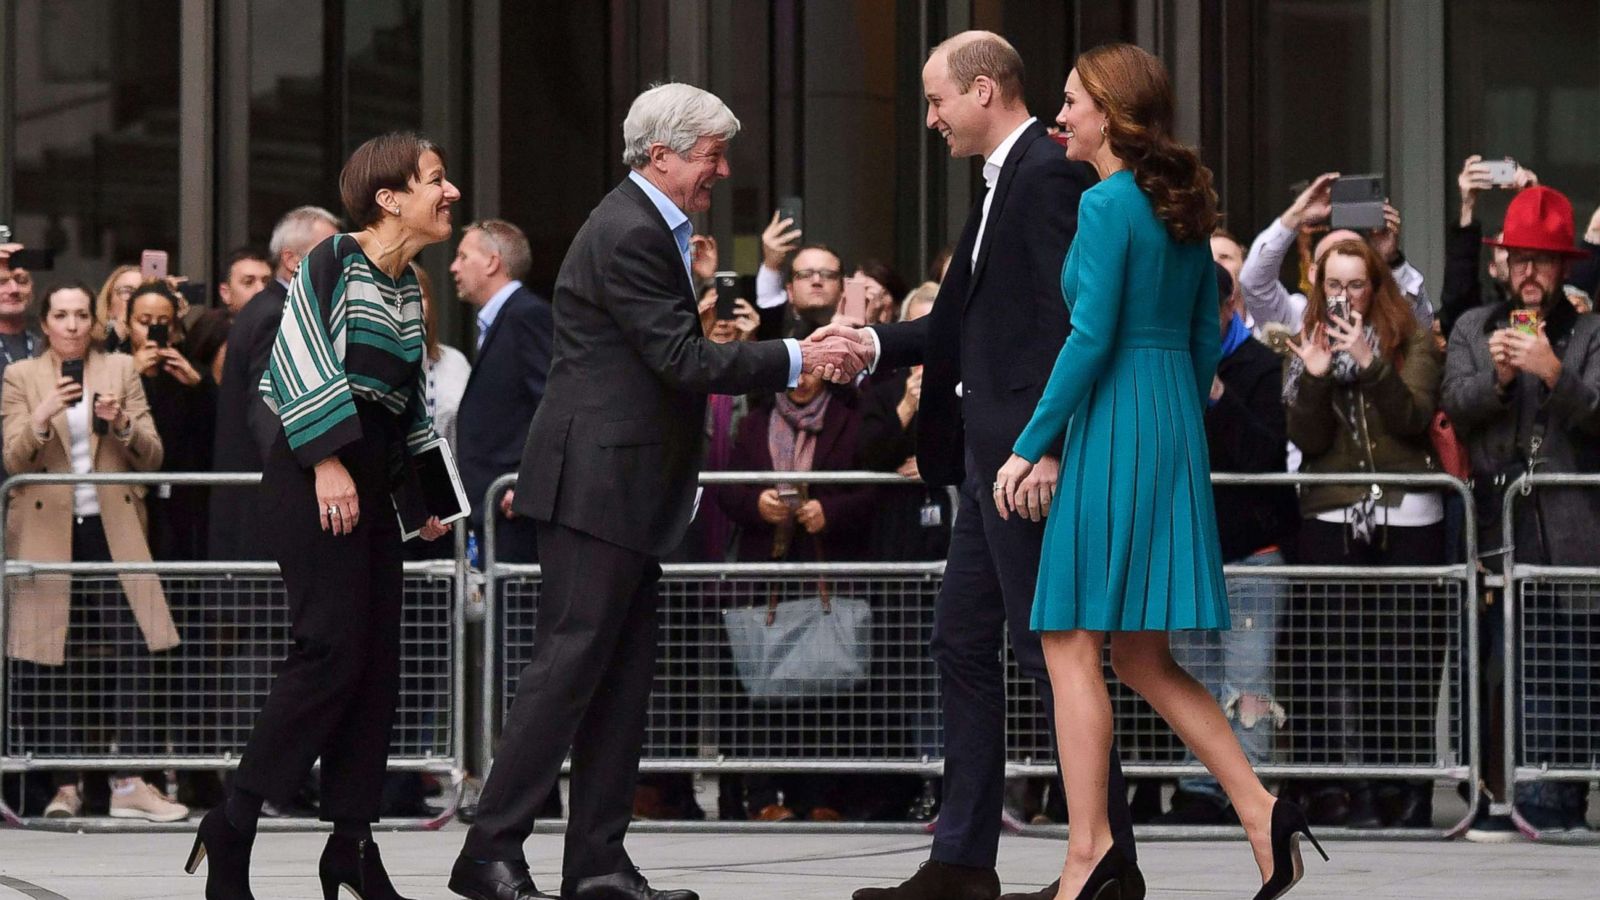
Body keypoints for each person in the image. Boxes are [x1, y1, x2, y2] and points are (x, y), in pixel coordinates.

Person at [447, 82, 863, 900]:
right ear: (662, 153)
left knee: (620, 681)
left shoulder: (646, 229)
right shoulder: (630, 230)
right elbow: (683, 360)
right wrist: (797, 357)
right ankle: (489, 849)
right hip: (599, 488)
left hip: (623, 491)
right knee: (568, 671)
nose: (722, 169)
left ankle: (597, 862)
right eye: (712, 154)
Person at [813, 32, 1142, 900]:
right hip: (988, 464)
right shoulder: (1005, 180)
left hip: (1024, 466)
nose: (928, 118)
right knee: (963, 640)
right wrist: (871, 340)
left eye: (936, 101)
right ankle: (962, 860)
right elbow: (958, 324)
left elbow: (1071, 326)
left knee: (1053, 655)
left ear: (983, 90)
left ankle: (1109, 859)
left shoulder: (1047, 175)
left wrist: (1051, 447)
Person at [989, 44, 1320, 900]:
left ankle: (1087, 857)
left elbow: (1089, 337)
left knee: (1068, 641)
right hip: (1169, 419)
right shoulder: (1182, 204)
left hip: (1115, 422)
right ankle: (1261, 809)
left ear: (1108, 111)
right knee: (1138, 654)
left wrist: (1032, 442)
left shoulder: (1106, 204)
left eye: (1070, 103)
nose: (1059, 117)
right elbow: (1209, 337)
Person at [184, 133, 457, 900]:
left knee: (375, 668)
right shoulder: (334, 258)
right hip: (315, 471)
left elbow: (409, 409)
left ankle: (352, 844)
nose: (452, 192)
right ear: (389, 196)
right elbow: (296, 360)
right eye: (437, 179)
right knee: (329, 652)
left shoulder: (406, 285)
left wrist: (427, 503)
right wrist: (329, 461)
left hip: (369, 476)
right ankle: (234, 819)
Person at [1440, 185, 1599, 839]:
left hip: (1571, 528)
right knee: (1506, 669)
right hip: (1494, 530)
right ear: (1501, 263)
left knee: (1574, 669)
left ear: (1564, 267)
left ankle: (1564, 801)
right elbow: (1453, 401)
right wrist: (1503, 380)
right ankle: (1514, 799)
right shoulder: (1477, 327)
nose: (1530, 272)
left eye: (1543, 260)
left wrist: (1553, 372)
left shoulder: (1590, 332)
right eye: (1519, 259)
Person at [2, 282, 185, 822]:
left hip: (114, 526)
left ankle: (130, 780)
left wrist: (122, 421)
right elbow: (11, 461)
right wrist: (42, 417)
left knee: (134, 646)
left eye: (82, 314)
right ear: (46, 324)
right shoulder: (22, 377)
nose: (74, 325)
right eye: (62, 315)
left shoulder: (121, 370)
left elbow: (153, 456)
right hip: (46, 531)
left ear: (96, 320)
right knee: (51, 656)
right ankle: (66, 786)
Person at [1282, 235, 1446, 831]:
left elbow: (1413, 417)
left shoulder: (1414, 338)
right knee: (1336, 656)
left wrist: (1374, 364)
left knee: (1404, 659)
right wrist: (1319, 374)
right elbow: (1309, 438)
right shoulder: (1308, 342)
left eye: (1355, 284)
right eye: (1333, 285)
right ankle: (1352, 791)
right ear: (1318, 287)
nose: (1344, 297)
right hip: (1331, 511)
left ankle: (1406, 786)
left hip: (1407, 510)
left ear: (1375, 287)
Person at [1157, 264, 1297, 826]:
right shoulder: (1168, 360)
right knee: (1193, 679)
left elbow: (1266, 454)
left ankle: (1248, 794)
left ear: (1228, 304)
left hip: (1251, 549)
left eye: (1204, 310)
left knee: (1249, 682)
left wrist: (1217, 394)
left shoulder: (1260, 365)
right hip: (1190, 548)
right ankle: (1198, 785)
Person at [208, 205, 339, 564]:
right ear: (292, 259)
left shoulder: (270, 307)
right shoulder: (277, 314)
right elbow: (270, 408)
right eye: (330, 249)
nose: (342, 261)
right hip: (268, 503)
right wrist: (305, 477)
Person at [450, 218, 551, 564]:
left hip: (514, 509)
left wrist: (529, 481)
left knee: (515, 615)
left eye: (463, 257)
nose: (453, 267)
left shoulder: (526, 315)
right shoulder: (507, 317)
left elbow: (552, 404)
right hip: (496, 510)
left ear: (492, 262)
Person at [1241, 172, 1431, 332]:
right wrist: (1296, 215)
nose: (1344, 291)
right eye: (1334, 278)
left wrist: (1391, 259)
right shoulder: (1297, 316)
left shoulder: (1386, 318)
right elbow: (1254, 282)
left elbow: (1419, 322)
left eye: (1355, 281)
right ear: (1314, 274)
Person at [126, 281, 217, 562]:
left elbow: (212, 435)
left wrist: (198, 384)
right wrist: (131, 374)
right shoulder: (114, 368)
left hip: (178, 502)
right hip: (129, 496)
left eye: (163, 322)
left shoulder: (187, 369)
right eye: (144, 321)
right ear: (128, 324)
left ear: (175, 327)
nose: (154, 329)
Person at [413, 263, 471, 454]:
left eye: (419, 296)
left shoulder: (455, 362)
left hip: (451, 475)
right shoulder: (371, 367)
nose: (413, 305)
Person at [215, 247, 274, 318]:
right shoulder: (212, 328)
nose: (261, 289)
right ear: (225, 293)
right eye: (248, 282)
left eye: (267, 283)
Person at [96, 265, 143, 353]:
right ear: (109, 303)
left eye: (142, 292)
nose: (134, 298)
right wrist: (117, 335)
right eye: (127, 291)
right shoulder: (90, 343)